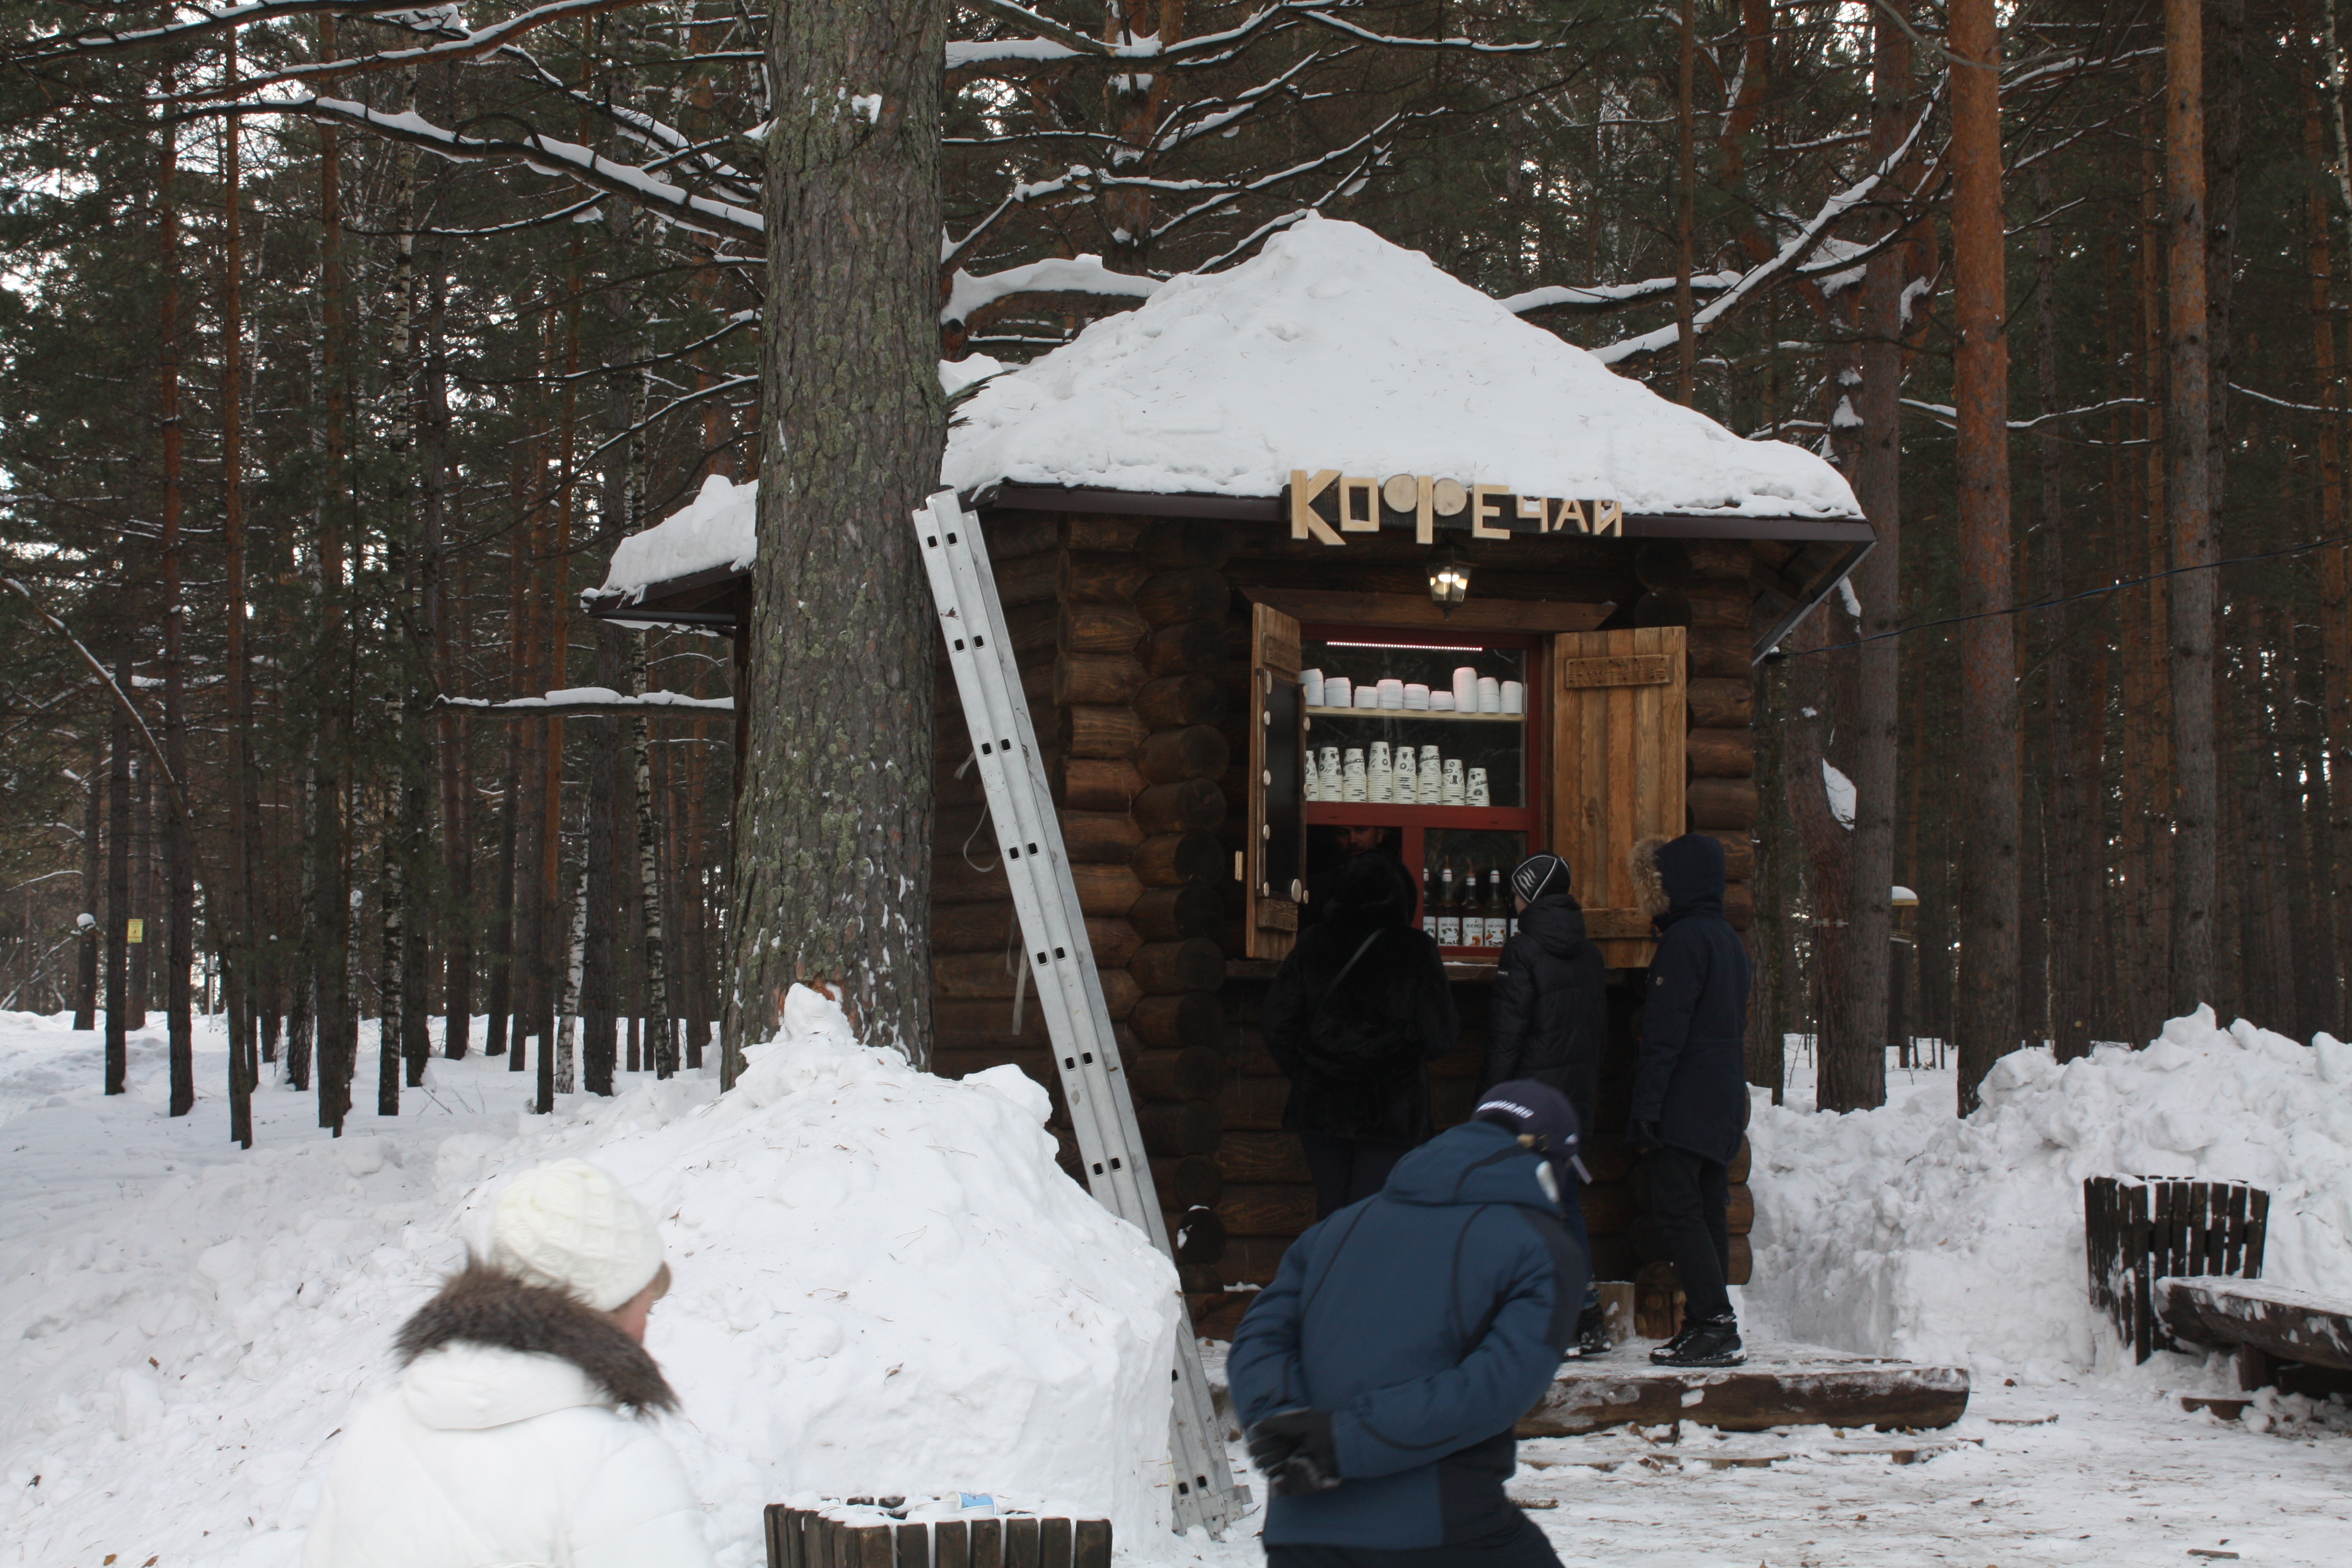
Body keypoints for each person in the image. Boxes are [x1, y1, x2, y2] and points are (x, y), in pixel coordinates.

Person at [1227, 1080, 1590, 1568]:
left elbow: (1258, 1337)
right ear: (1549, 1163)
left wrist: (1280, 1422)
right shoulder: (1543, 1246)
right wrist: (1342, 1442)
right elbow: (1497, 1386)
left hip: (1300, 1530)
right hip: (1438, 1531)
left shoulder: (1336, 1228)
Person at [303, 1159, 716, 1568]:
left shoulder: (380, 1424)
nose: (646, 1329)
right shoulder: (618, 1469)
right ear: (614, 1305)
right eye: (648, 1306)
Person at [1263, 852, 1457, 1218]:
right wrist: (1396, 1062)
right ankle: (1359, 1276)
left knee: (1332, 1208)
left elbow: (1276, 1024)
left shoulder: (1313, 942)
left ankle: (1326, 1276)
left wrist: (1312, 1068)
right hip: (1391, 1107)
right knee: (1371, 1213)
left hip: (1321, 1103)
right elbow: (1442, 1035)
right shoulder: (1416, 949)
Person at [1627, 833, 1752, 1369]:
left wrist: (1646, 1109)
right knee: (1708, 1211)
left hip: (1686, 1098)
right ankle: (1709, 1322)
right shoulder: (1728, 939)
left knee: (1679, 1212)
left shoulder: (1683, 943)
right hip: (1724, 1097)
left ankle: (1715, 1323)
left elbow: (1664, 1036)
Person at [1483, 852, 1610, 1356]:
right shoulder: (1590, 955)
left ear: (1531, 896)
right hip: (1571, 1102)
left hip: (1526, 1102)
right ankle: (1586, 1316)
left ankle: (1546, 1317)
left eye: (1517, 893)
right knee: (1564, 1205)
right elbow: (1596, 1038)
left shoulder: (1523, 951)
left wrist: (1490, 1104)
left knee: (1523, 1208)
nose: (1512, 902)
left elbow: (1506, 1038)